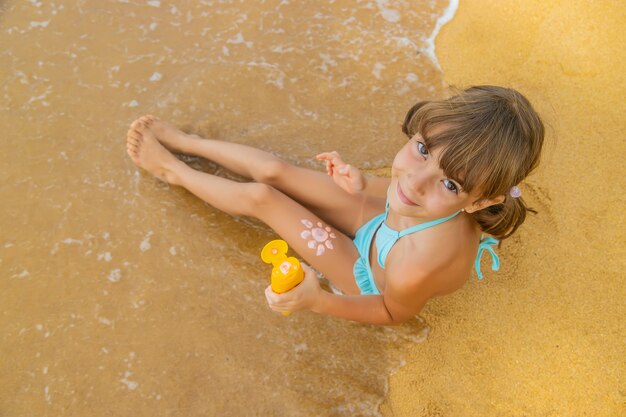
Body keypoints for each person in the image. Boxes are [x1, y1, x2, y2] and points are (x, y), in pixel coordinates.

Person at [125, 85, 544, 325]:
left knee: (262, 197)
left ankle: (173, 172)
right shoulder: (420, 196)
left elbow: (390, 310)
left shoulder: (422, 263)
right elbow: (401, 194)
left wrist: (318, 300)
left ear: (481, 201)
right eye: (421, 149)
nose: (414, 182)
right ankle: (188, 142)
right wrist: (363, 183)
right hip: (385, 226)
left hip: (370, 272)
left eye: (450, 183)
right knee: (274, 172)